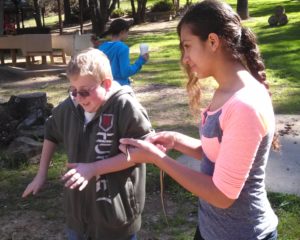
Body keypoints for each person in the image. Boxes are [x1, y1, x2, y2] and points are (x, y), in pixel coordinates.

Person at [119, 1, 279, 239]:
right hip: (210, 229)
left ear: (213, 41)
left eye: (187, 46)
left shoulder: (245, 104)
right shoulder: (226, 91)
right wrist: (176, 140)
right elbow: (220, 156)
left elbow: (222, 196)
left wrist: (157, 158)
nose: (185, 58)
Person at [22, 48, 153, 240]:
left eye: (84, 92)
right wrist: (40, 175)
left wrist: (94, 168)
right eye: (73, 91)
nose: (78, 98)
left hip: (115, 217)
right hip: (77, 217)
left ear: (106, 84)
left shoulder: (125, 107)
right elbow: (51, 132)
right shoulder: (70, 107)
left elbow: (144, 151)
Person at [98, 18, 149, 86]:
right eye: (127, 32)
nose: (128, 34)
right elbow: (125, 72)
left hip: (105, 87)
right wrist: (141, 61)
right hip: (120, 87)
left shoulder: (102, 47)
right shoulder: (122, 48)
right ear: (123, 32)